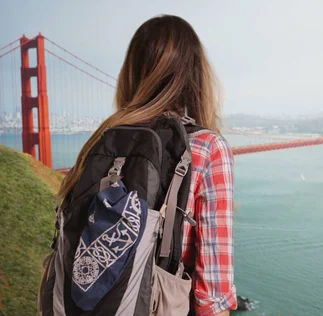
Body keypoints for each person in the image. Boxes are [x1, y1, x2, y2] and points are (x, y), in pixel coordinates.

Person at [56, 15, 236, 315]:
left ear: (131, 73)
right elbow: (212, 296)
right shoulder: (208, 147)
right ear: (195, 74)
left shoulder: (103, 139)